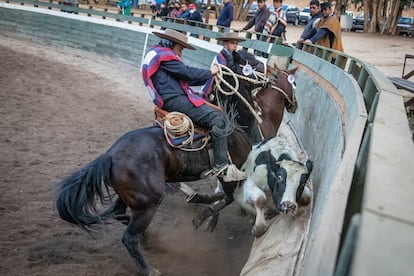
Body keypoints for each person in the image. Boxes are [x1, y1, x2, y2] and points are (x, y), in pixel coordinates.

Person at [142, 29, 247, 182]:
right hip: (175, 99)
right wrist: (211, 72)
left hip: (170, 98)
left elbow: (188, 79)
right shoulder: (166, 57)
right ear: (171, 45)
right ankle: (222, 166)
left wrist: (209, 75)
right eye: (180, 49)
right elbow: (188, 73)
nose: (181, 53)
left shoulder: (158, 55)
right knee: (218, 120)